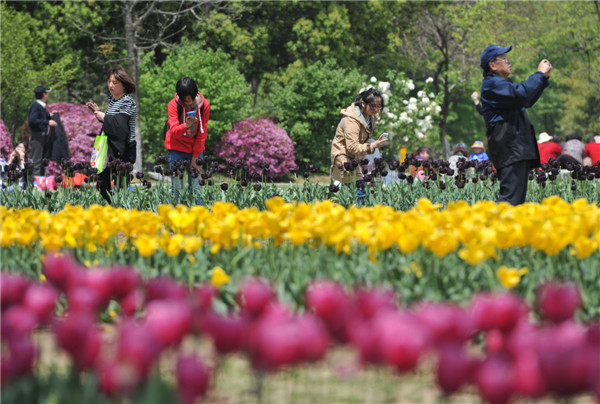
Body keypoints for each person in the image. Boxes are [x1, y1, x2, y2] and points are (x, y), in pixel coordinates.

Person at [479, 44, 552, 205]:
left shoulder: (501, 84)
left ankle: (508, 228)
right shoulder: (493, 84)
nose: (509, 62)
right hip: (510, 148)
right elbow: (522, 94)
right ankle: (496, 228)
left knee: (516, 199)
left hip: (515, 148)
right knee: (510, 199)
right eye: (504, 59)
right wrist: (539, 74)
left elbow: (527, 100)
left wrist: (543, 79)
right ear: (493, 65)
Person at [86, 65, 137, 204]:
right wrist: (98, 114)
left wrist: (104, 117)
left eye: (115, 82)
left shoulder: (127, 101)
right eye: (109, 81)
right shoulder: (113, 100)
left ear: (124, 84)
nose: (110, 85)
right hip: (108, 149)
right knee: (103, 186)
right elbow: (112, 124)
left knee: (120, 189)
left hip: (122, 150)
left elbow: (121, 129)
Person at [330, 88, 388, 204]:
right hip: (344, 157)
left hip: (356, 157)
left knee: (352, 193)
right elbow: (352, 147)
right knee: (360, 190)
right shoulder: (351, 120)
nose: (376, 109)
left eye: (379, 106)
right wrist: (373, 145)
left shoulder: (370, 118)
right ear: (363, 104)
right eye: (373, 106)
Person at [164, 77, 210, 205]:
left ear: (195, 93)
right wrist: (186, 125)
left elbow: (202, 133)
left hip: (195, 150)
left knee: (195, 188)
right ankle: (175, 219)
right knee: (177, 189)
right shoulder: (173, 105)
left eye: (190, 101)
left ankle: (197, 218)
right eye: (185, 101)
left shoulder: (204, 105)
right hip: (175, 149)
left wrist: (196, 158)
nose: (188, 103)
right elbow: (173, 132)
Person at [28, 86, 58, 176]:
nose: (48, 95)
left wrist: (49, 115)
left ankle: (40, 182)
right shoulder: (36, 106)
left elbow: (40, 117)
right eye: (47, 93)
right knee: (36, 161)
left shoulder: (41, 106)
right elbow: (32, 120)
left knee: (42, 162)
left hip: (42, 136)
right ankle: (35, 185)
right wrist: (48, 121)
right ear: (44, 94)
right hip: (37, 136)